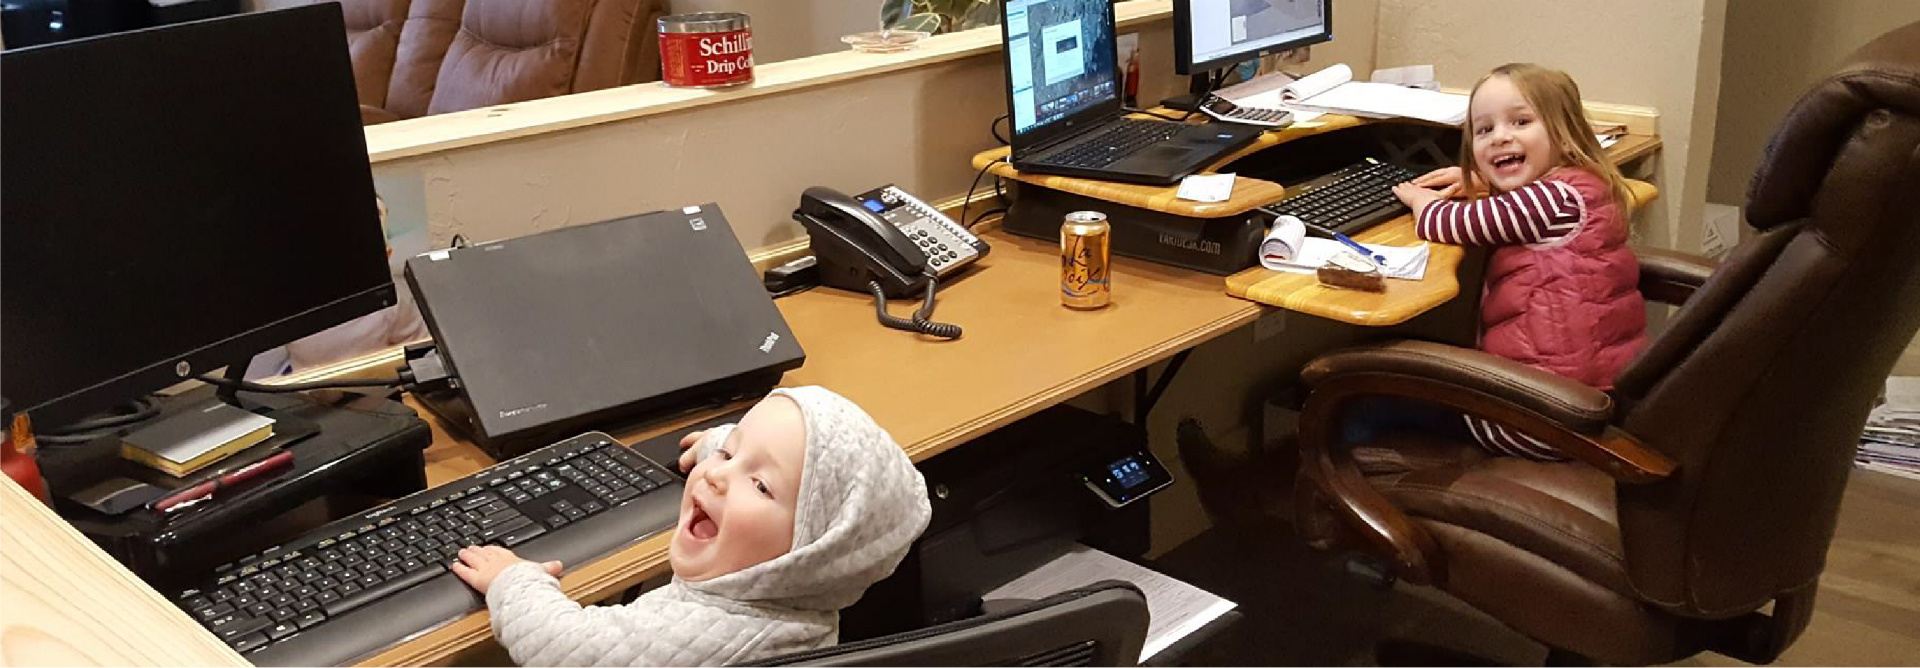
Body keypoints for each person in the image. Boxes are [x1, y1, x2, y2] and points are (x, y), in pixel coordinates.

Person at [451, 386, 932, 666]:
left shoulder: (713, 634)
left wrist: (514, 583)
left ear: (814, 549)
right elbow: (775, 464)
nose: (718, 476)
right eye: (728, 454)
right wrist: (722, 447)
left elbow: (570, 650)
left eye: (760, 485)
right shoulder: (798, 596)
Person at [1387, 62, 1647, 460]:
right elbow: (1523, 206)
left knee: (1374, 398)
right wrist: (1482, 180)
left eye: (1521, 122)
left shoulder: (1551, 199)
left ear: (1563, 131)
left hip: (1534, 419)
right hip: (1590, 398)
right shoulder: (1587, 183)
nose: (1500, 138)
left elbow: (1452, 224)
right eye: (1484, 130)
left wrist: (1421, 200)